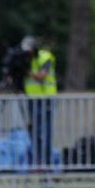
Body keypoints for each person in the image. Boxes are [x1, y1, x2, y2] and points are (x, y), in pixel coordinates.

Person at [21, 36, 57, 166]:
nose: (27, 54)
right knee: (33, 131)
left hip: (46, 99)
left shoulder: (45, 57)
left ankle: (47, 162)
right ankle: (38, 160)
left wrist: (26, 71)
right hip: (32, 100)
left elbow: (42, 76)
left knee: (46, 132)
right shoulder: (24, 60)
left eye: (29, 51)